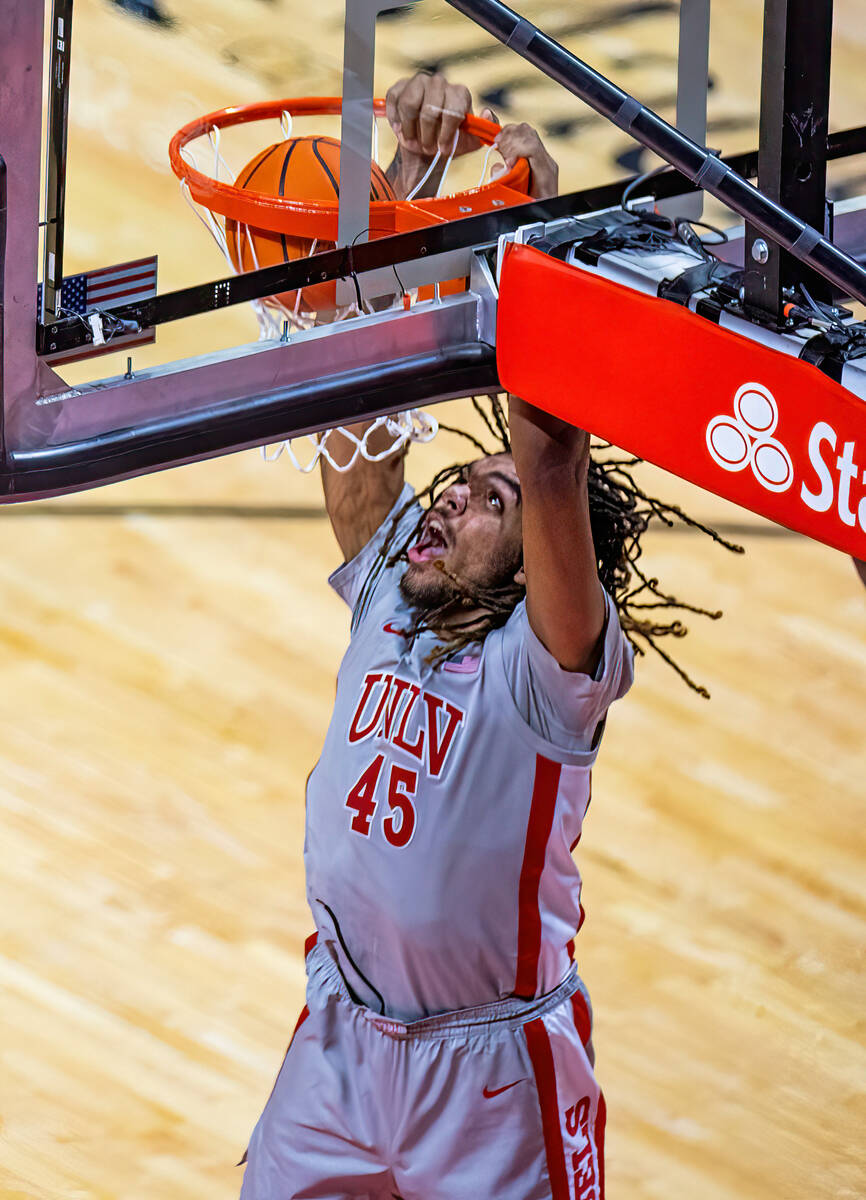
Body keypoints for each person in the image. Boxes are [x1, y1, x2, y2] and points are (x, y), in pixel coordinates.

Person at [239, 72, 727, 1200]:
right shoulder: (392, 588)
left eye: (487, 504)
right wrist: (403, 197)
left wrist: (532, 238)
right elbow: (358, 401)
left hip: (492, 1075)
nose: (452, 499)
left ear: (534, 567)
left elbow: (551, 457)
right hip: (341, 1046)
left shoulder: (544, 670)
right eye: (460, 483)